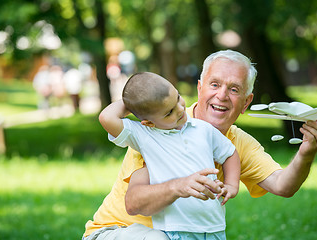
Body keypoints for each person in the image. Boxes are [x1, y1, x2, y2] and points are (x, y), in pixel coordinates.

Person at [83, 50, 317, 240]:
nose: (221, 95)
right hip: (115, 232)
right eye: (215, 84)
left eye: (234, 89)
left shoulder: (236, 142)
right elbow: (134, 203)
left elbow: (283, 185)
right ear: (200, 88)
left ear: (246, 102)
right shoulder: (156, 131)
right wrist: (139, 100)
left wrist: (306, 152)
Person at [98, 72, 240, 239]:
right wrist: (136, 101)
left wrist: (231, 185)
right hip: (176, 229)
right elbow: (106, 117)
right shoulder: (145, 135)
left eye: (178, 98)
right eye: (169, 112)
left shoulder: (203, 129)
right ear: (149, 122)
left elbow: (229, 153)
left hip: (213, 224)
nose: (180, 109)